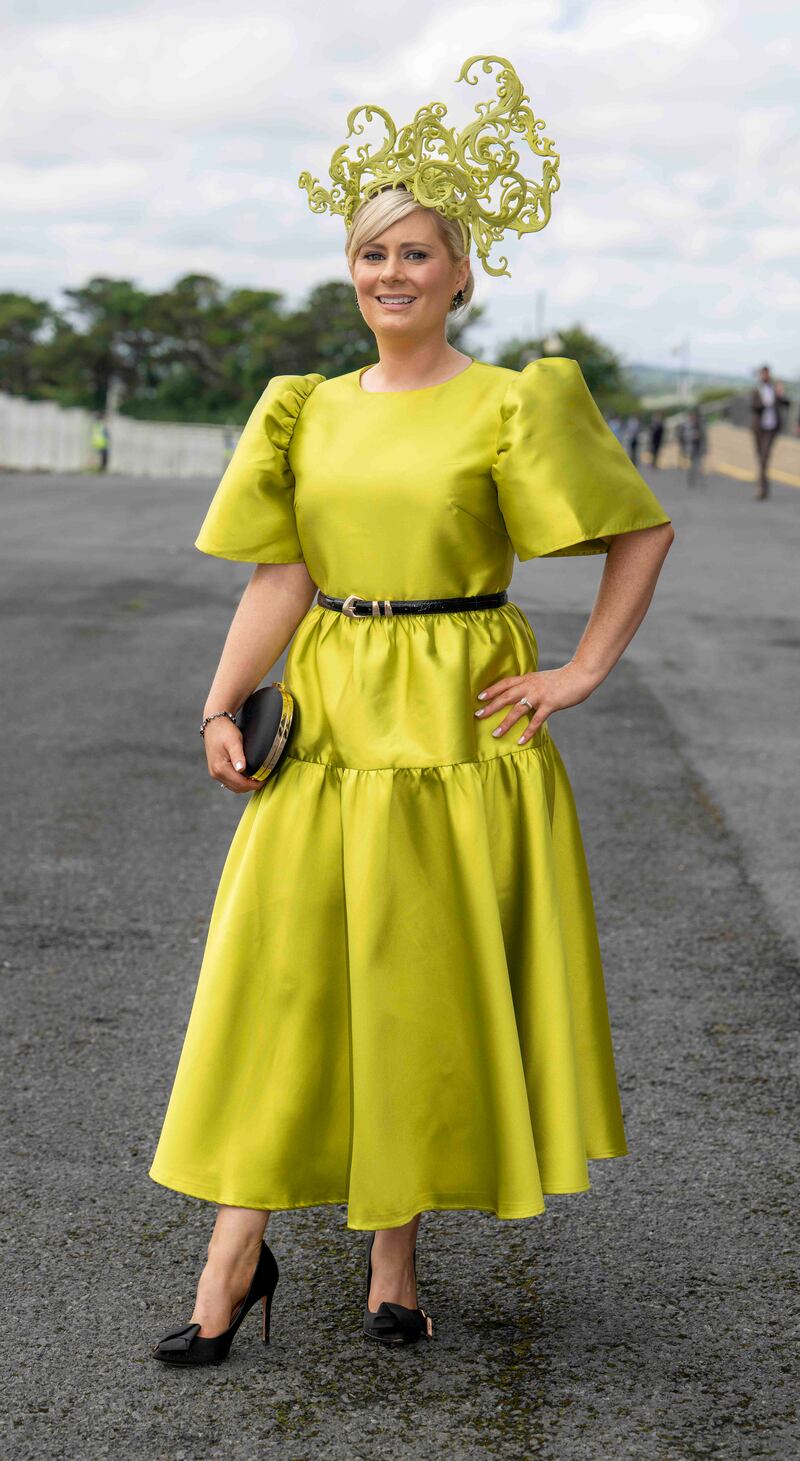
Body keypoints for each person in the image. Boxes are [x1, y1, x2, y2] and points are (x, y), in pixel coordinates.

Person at [148, 53, 674, 1365]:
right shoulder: (306, 411)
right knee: (284, 985)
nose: (394, 274)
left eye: (419, 254)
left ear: (459, 272)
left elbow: (639, 532)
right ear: (354, 269)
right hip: (330, 720)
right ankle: (232, 1252)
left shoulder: (514, 402)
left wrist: (581, 670)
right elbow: (287, 571)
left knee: (421, 990)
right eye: (374, 253)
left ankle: (396, 1262)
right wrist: (220, 703)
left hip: (459, 730)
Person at [751, 365, 788, 500]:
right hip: (759, 429)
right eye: (763, 374)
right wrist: (766, 403)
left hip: (771, 428)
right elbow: (754, 407)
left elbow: (786, 403)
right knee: (760, 456)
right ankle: (764, 485)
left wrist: (781, 394)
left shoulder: (775, 389)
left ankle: (761, 487)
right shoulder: (757, 390)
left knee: (764, 456)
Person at [682, 408, 706, 487]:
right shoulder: (688, 426)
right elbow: (684, 437)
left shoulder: (699, 425)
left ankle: (700, 482)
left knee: (699, 466)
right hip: (692, 449)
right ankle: (691, 481)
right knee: (692, 466)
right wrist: (692, 436)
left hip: (698, 449)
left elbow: (703, 438)